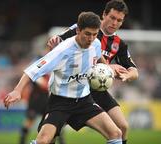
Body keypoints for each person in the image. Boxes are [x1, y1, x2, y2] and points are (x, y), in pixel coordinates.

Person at [4, 11, 123, 144]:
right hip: (60, 102)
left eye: (94, 34)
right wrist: (17, 90)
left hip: (84, 101)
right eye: (87, 34)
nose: (91, 38)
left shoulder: (95, 44)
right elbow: (33, 69)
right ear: (78, 30)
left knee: (116, 133)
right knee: (43, 141)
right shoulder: (63, 50)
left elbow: (98, 57)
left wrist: (108, 68)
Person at [47, 1, 139, 144]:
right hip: (73, 88)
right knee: (49, 136)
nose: (114, 23)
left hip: (97, 88)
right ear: (104, 14)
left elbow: (134, 71)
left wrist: (126, 75)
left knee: (123, 126)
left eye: (119, 20)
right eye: (112, 18)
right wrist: (55, 41)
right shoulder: (85, 29)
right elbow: (59, 40)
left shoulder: (119, 44)